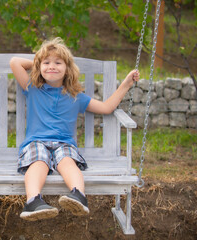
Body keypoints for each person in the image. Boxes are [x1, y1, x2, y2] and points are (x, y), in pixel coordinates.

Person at [9, 37, 139, 221]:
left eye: (58, 63)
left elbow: (106, 108)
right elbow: (15, 62)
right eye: (46, 63)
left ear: (68, 69)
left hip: (64, 143)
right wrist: (39, 64)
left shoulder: (76, 96)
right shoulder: (33, 88)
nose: (51, 66)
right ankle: (33, 201)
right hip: (36, 141)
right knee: (38, 162)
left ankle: (78, 195)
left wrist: (126, 84)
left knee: (67, 161)